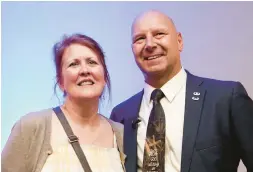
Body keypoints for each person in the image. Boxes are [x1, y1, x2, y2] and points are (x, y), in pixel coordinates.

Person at [110, 10, 253, 172]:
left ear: (179, 41)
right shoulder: (120, 115)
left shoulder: (226, 99)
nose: (149, 44)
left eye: (159, 34)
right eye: (140, 38)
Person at [2, 33, 126, 172]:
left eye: (92, 62)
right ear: (61, 81)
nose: (85, 70)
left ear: (104, 77)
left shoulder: (121, 134)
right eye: (74, 64)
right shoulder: (32, 127)